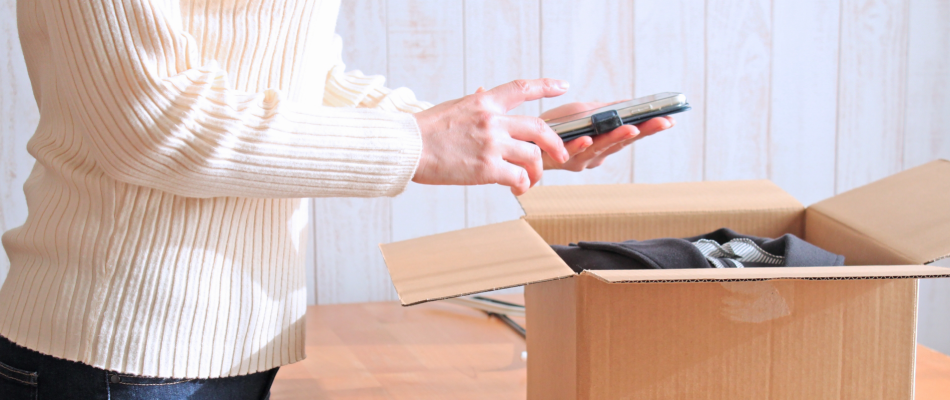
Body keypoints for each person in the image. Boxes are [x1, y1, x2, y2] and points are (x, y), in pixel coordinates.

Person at [0, 1, 674, 399]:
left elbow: (303, 78)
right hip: (120, 347)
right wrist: (416, 144)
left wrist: (499, 140)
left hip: (240, 341)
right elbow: (149, 122)